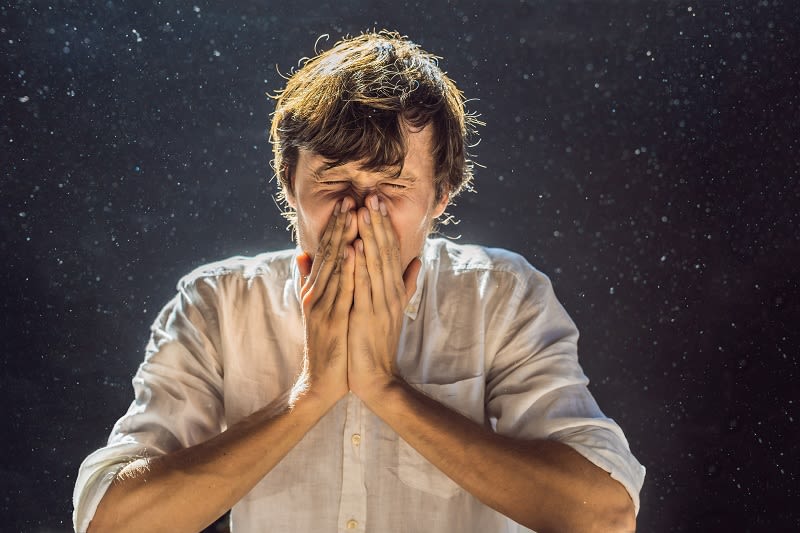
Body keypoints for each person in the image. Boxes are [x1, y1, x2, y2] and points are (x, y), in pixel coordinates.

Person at [73, 31, 645, 533]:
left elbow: (603, 516)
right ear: (288, 187)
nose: (360, 213)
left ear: (440, 197)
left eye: (392, 188)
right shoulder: (216, 304)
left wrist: (384, 388)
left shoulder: (500, 296)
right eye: (332, 183)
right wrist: (309, 394)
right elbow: (113, 522)